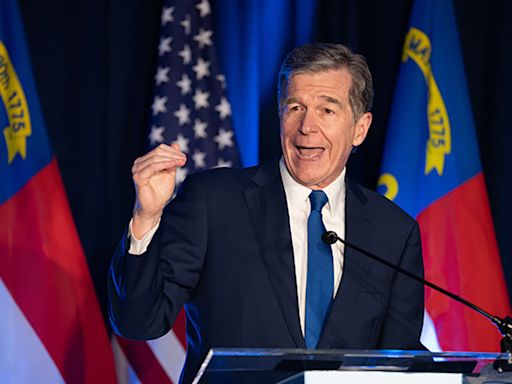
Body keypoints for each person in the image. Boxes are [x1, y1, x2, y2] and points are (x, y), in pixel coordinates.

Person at [108, 42, 425, 384]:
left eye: (327, 111)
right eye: (295, 107)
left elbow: (400, 361)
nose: (307, 126)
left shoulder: (393, 232)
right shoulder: (214, 202)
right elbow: (139, 322)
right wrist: (147, 218)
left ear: (360, 129)